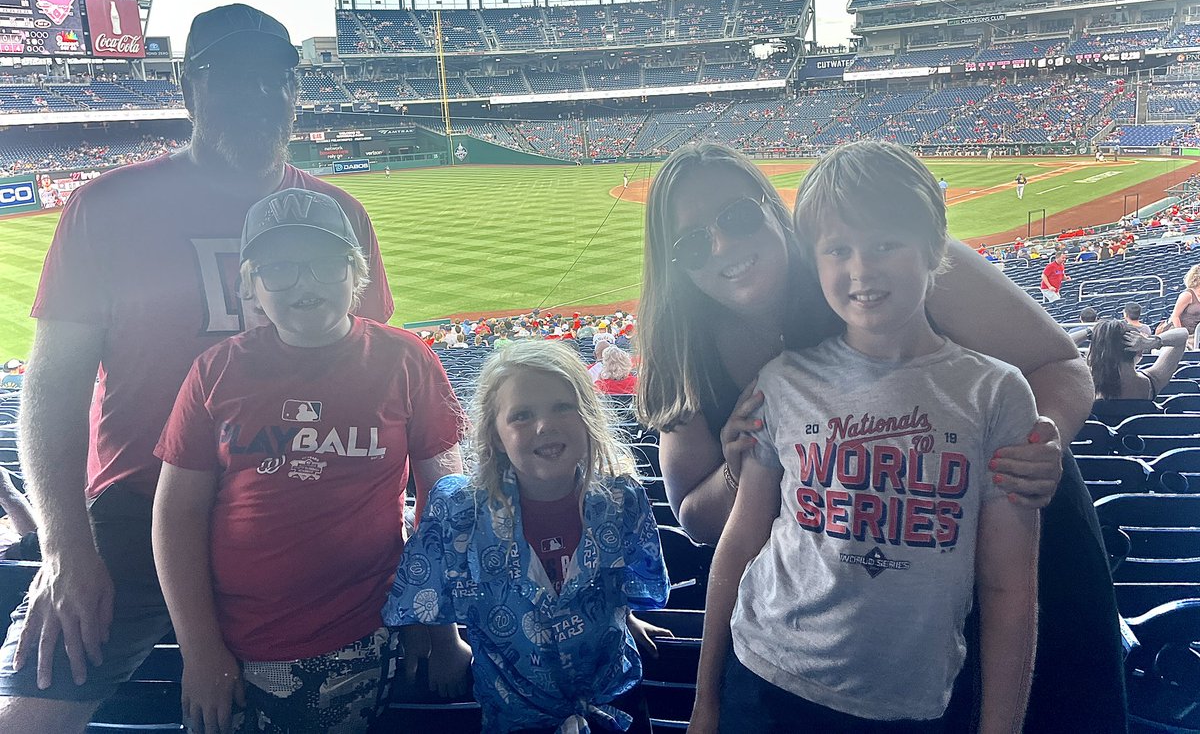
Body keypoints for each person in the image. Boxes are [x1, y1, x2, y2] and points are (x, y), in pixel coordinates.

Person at [635, 142, 1124, 730]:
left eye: (738, 217)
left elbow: (1063, 367)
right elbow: (698, 518)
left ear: (773, 209)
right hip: (855, 614)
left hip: (1017, 525)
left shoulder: (880, 266)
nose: (723, 247)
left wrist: (1037, 446)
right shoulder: (690, 349)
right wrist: (742, 461)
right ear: (674, 263)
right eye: (691, 243)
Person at [0, 4, 394, 733]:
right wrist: (64, 550)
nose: (259, 97)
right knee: (28, 709)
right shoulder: (106, 208)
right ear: (188, 88)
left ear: (295, 91)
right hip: (136, 507)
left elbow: (372, 382)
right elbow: (52, 389)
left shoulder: (339, 213)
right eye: (230, 77)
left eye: (275, 79)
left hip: (299, 502)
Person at [151, 190, 464, 734]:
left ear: (356, 275)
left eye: (326, 264)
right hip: (237, 644)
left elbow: (444, 508)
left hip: (367, 636)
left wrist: (438, 627)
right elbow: (176, 518)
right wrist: (200, 653)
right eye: (279, 269)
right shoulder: (214, 371)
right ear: (249, 285)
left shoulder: (407, 359)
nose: (305, 284)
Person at [384, 341, 671, 733]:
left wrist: (625, 619)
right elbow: (435, 584)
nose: (544, 426)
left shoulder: (621, 499)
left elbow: (616, 575)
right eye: (521, 415)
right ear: (496, 436)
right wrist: (447, 646)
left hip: (611, 695)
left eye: (562, 406)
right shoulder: (461, 511)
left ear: (588, 417)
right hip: (514, 706)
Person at [1088, 319, 1188, 402]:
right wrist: (1150, 342)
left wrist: (1089, 332)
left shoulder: (1085, 385)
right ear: (1139, 351)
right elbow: (1183, 335)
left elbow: (1071, 351)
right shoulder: (1153, 381)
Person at [1169, 263, 1200, 348]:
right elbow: (1175, 316)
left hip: (1196, 335)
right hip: (1184, 334)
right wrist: (1181, 336)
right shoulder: (1187, 295)